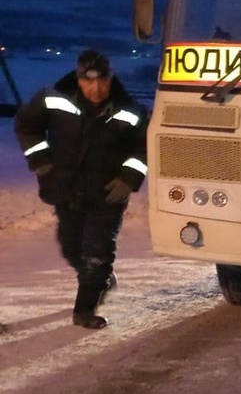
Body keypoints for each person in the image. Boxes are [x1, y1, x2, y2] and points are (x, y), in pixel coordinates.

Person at [13, 50, 149, 329]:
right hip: (66, 189)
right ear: (78, 79)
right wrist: (40, 160)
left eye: (102, 81)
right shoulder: (52, 98)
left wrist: (128, 177)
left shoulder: (131, 111)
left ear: (111, 79)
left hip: (107, 194)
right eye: (89, 82)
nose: (95, 89)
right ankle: (100, 279)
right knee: (70, 245)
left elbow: (144, 148)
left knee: (97, 251)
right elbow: (26, 125)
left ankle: (85, 310)